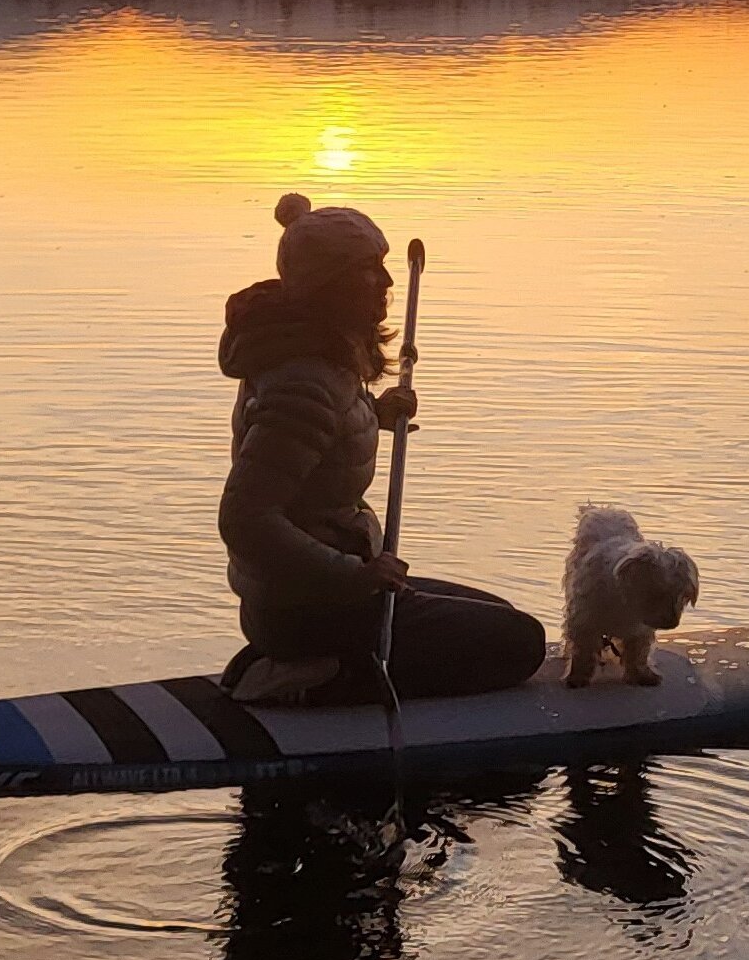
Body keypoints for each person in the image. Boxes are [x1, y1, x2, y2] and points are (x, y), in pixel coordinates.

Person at [216, 192, 546, 707]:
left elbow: (320, 443)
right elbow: (246, 517)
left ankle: (297, 658)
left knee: (499, 614)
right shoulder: (305, 383)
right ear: (331, 284)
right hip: (312, 606)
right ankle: (318, 676)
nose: (389, 283)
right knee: (519, 644)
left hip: (323, 592)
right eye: (371, 270)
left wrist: (374, 413)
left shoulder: (320, 362)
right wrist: (355, 575)